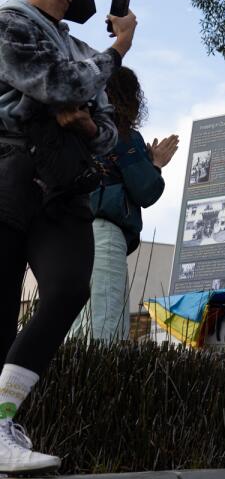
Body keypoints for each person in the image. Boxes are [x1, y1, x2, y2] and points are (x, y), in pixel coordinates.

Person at [0, 0, 135, 473]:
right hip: (9, 171)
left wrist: (80, 117)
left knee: (67, 288)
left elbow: (105, 130)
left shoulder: (80, 48)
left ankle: (3, 419)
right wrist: (117, 52)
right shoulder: (10, 22)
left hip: (63, 183)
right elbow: (55, 83)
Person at [70, 68, 178, 342]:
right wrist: (155, 164)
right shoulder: (120, 134)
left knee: (72, 320)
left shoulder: (75, 128)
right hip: (103, 232)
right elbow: (146, 190)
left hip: (65, 234)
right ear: (132, 98)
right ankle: (92, 383)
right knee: (104, 323)